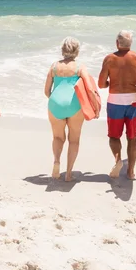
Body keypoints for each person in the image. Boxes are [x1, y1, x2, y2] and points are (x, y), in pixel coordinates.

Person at [98, 30, 136, 180]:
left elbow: (101, 84)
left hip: (115, 102)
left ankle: (118, 160)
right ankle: (130, 171)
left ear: (117, 43)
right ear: (130, 44)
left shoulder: (109, 59)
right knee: (132, 137)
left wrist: (111, 82)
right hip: (133, 101)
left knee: (114, 136)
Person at [45, 37, 99, 182]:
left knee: (57, 137)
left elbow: (46, 91)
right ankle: (68, 174)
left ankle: (56, 161)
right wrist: (96, 107)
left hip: (55, 103)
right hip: (74, 105)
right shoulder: (80, 67)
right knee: (73, 140)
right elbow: (89, 89)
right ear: (77, 51)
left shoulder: (54, 67)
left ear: (63, 50)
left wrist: (56, 100)